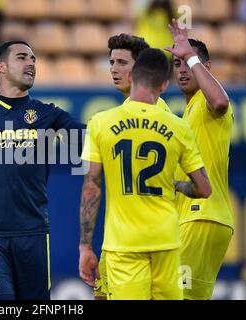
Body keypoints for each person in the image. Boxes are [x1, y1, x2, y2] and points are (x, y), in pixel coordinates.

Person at [79, 48, 212, 300]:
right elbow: (204, 188)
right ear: (163, 85)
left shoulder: (100, 122)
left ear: (132, 77)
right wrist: (177, 185)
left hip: (123, 244)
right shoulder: (178, 126)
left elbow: (91, 187)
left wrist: (85, 246)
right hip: (166, 241)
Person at [0, 40, 85, 300]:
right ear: (1, 67)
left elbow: (90, 140)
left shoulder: (48, 115)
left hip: (34, 234)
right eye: (22, 57)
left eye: (34, 59)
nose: (31, 63)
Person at [93, 33, 172, 299]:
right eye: (111, 62)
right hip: (118, 239)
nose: (114, 69)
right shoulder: (127, 111)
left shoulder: (160, 118)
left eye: (121, 63)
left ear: (140, 69)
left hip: (147, 244)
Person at [165, 19, 235, 300]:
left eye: (187, 63)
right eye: (177, 64)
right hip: (197, 218)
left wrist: (190, 55)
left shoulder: (209, 105)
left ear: (204, 67)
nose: (182, 70)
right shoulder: (189, 111)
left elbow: (221, 102)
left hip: (202, 216)